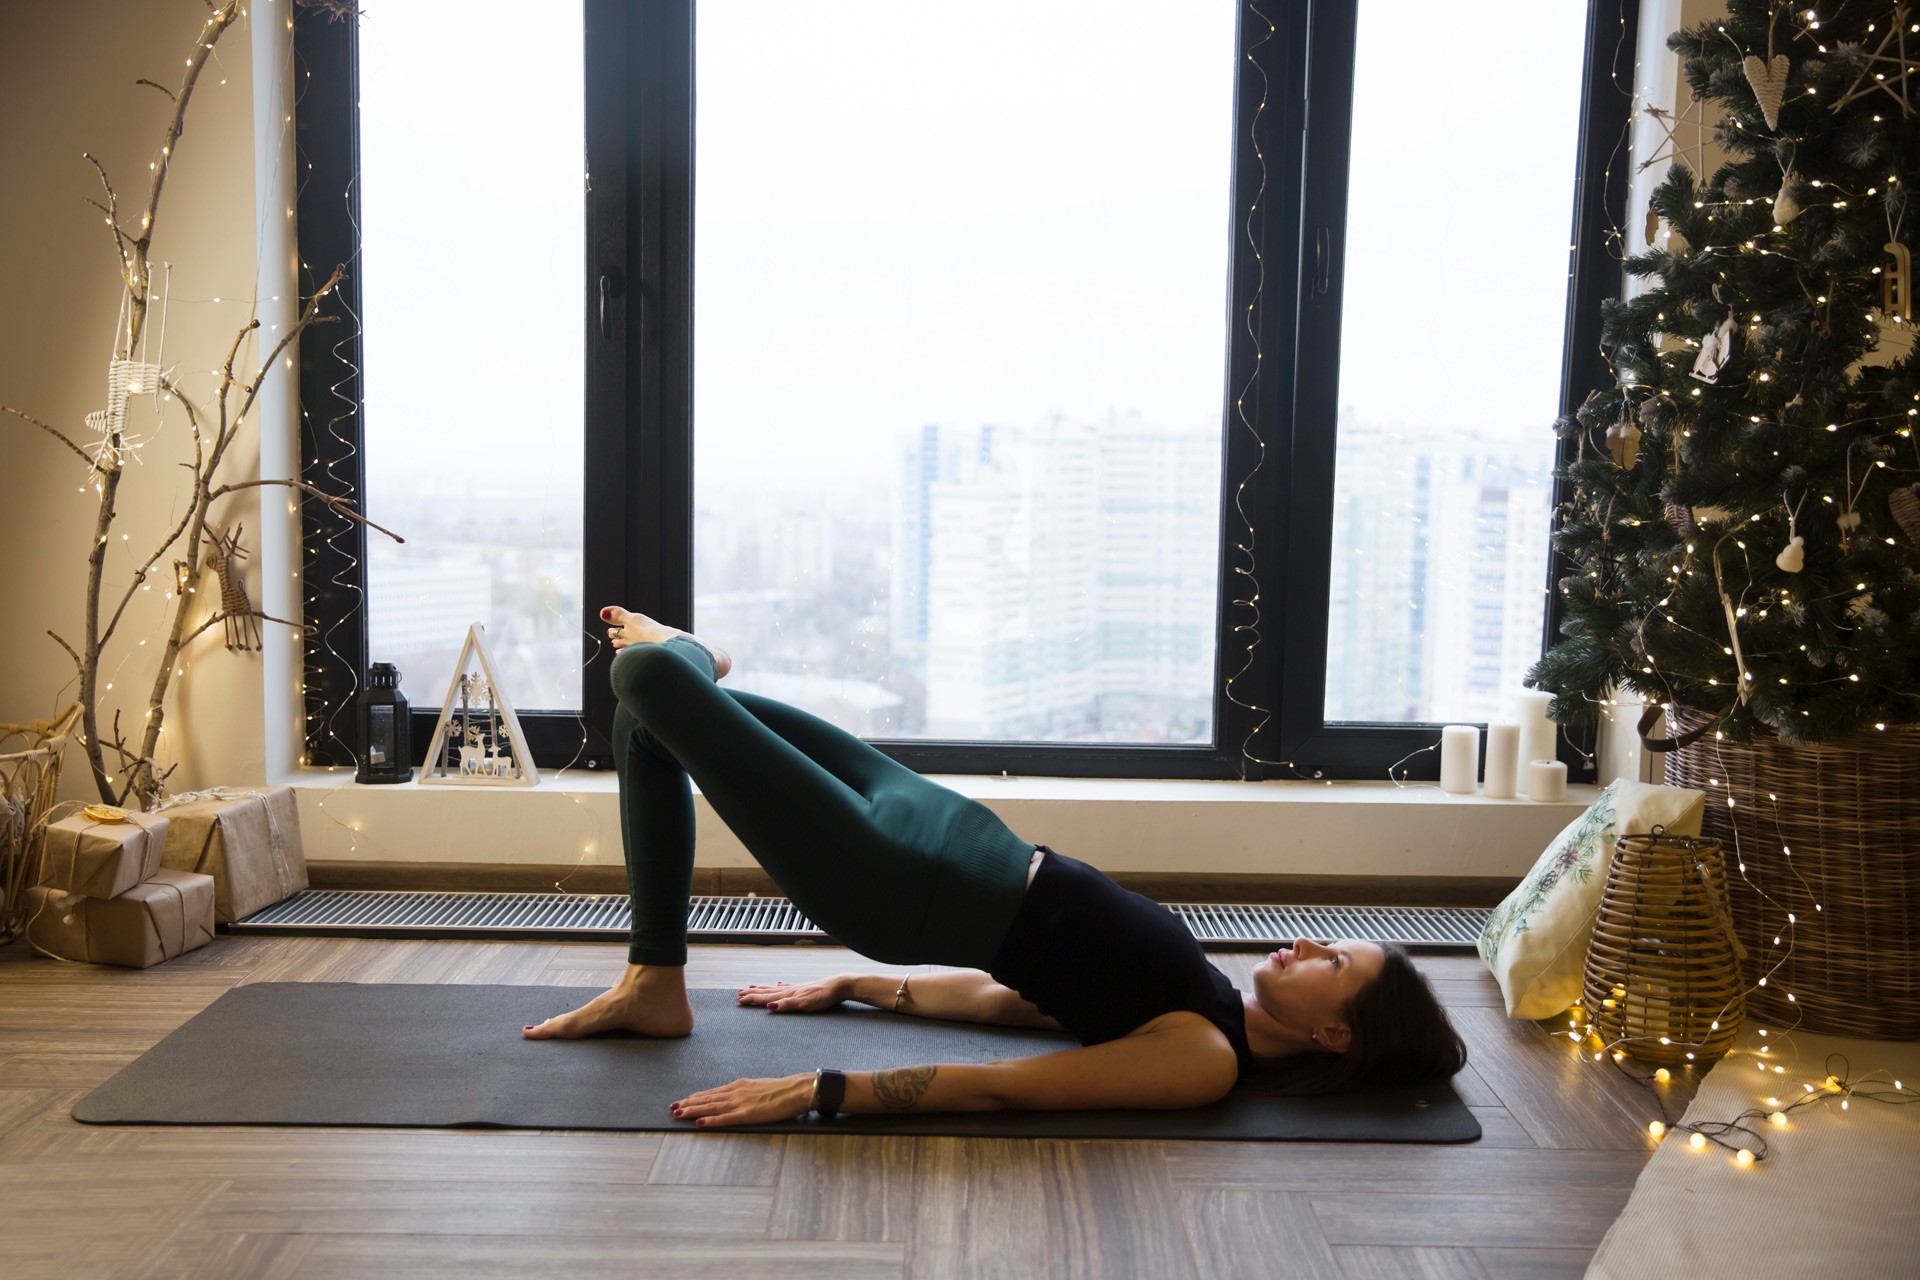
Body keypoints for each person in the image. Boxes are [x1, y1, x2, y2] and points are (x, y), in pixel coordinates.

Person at [524, 608, 1467, 1128]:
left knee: (650, 679)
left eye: (1331, 963)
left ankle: (691, 650)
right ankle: (655, 980)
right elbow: (1011, 1003)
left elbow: (1007, 1085)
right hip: (940, 823)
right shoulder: (1212, 1003)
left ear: (1338, 1037)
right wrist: (859, 986)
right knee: (644, 723)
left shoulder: (1206, 1061)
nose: (1305, 942)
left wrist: (822, 1090)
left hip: (894, 874)